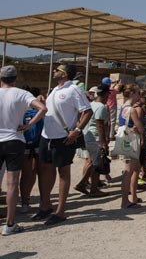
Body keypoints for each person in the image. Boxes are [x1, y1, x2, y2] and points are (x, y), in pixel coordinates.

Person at [36, 64, 92, 224]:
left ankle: (61, 211)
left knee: (63, 172)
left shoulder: (73, 89)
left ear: (64, 74)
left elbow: (87, 111)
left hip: (63, 137)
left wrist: (77, 130)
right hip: (47, 136)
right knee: (45, 168)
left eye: (57, 69)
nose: (54, 71)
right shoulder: (55, 89)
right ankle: (45, 205)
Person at [0, 66, 47, 234]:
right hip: (15, 139)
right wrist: (29, 124)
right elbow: (43, 108)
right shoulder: (22, 94)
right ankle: (10, 223)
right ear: (15, 78)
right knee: (12, 183)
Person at [74, 84, 110, 196]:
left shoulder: (91, 105)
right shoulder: (101, 107)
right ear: (105, 94)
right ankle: (94, 189)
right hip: (95, 138)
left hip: (87, 136)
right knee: (96, 164)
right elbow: (100, 126)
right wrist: (104, 143)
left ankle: (83, 183)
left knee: (91, 161)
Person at [118, 84, 145, 209]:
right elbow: (140, 128)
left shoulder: (123, 107)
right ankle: (125, 200)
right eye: (138, 93)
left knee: (134, 169)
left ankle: (132, 197)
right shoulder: (132, 109)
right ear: (133, 93)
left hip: (125, 138)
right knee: (129, 170)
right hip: (132, 139)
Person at [20, 86, 45, 214]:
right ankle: (43, 201)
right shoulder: (40, 110)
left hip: (25, 145)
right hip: (39, 145)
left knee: (25, 175)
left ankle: (25, 203)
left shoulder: (21, 108)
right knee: (41, 173)